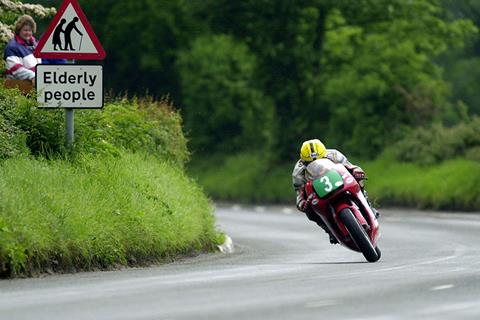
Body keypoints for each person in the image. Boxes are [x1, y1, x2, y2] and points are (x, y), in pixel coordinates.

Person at [292, 139, 379, 244]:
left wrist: (356, 171)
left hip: (338, 179)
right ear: (303, 161)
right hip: (317, 192)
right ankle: (329, 230)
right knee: (310, 212)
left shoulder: (334, 154)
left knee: (358, 181)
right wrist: (302, 203)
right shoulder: (298, 171)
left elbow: (350, 166)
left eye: (321, 159)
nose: (316, 165)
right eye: (310, 163)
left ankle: (367, 204)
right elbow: (299, 192)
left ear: (325, 154)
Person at [3, 15, 41, 83]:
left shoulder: (35, 45)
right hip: (18, 88)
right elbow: (16, 69)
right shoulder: (12, 47)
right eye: (25, 30)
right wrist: (34, 76)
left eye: (30, 30)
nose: (28, 33)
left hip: (35, 85)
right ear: (19, 30)